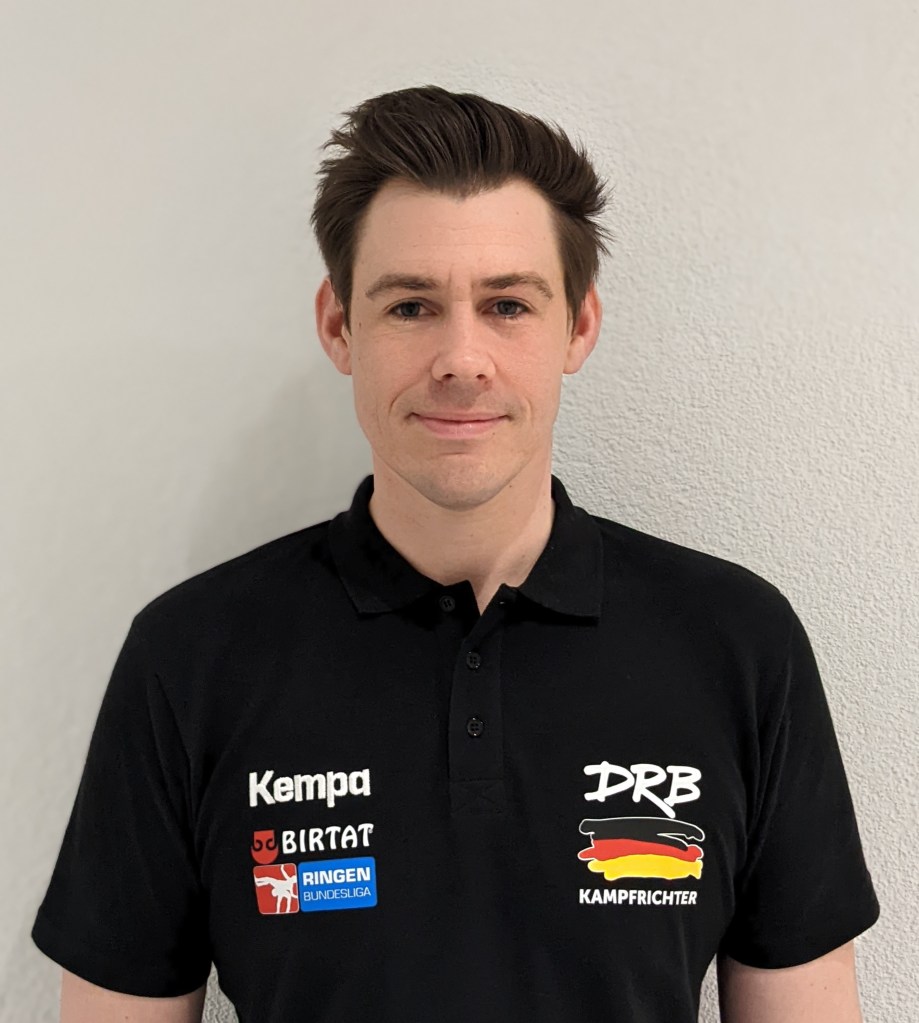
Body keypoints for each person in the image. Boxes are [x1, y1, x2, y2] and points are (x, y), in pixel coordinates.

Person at [32, 84, 879, 1023]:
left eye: (507, 304)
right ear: (338, 325)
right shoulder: (193, 657)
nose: (461, 359)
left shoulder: (736, 644)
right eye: (410, 306)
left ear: (578, 326)